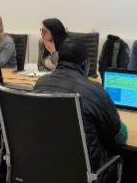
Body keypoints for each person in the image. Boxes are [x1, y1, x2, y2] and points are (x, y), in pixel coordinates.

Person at [34, 41, 127, 183]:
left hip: (47, 167)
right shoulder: (95, 91)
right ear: (85, 64)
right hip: (88, 175)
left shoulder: (41, 83)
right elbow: (120, 138)